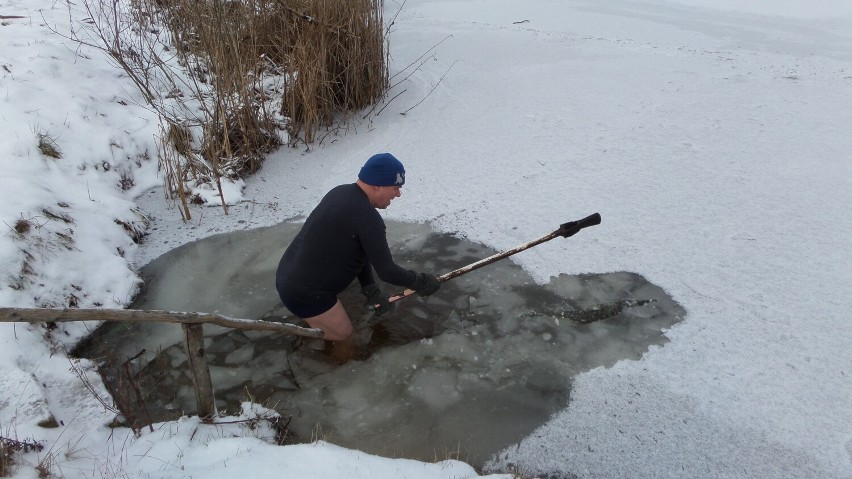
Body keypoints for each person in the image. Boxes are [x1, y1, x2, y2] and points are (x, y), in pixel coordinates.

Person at [275, 152, 441, 346]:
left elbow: (358, 249)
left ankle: (317, 327)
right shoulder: (368, 218)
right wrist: (419, 281)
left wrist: (369, 287)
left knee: (328, 330)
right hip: (307, 294)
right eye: (395, 188)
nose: (398, 194)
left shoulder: (340, 193)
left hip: (287, 277)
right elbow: (388, 272)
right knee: (345, 338)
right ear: (377, 185)